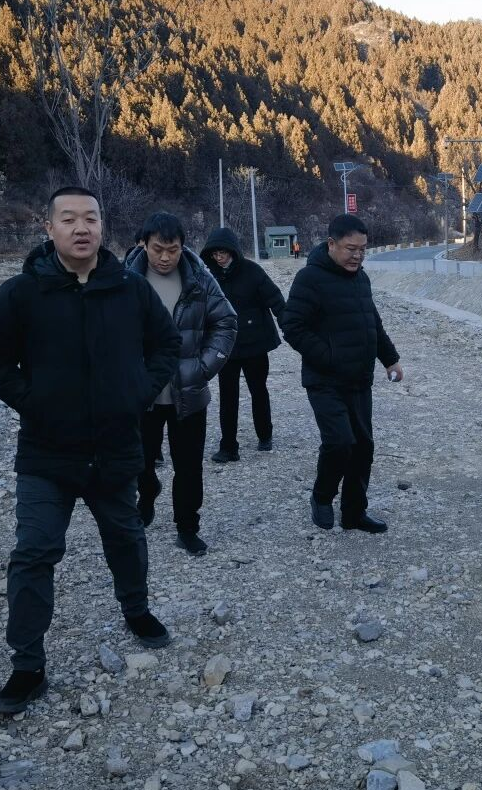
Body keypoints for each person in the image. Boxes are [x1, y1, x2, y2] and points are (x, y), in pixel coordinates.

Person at [0, 186, 181, 714]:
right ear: (49, 228)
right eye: (68, 219)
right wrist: (33, 402)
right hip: (47, 451)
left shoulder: (131, 289)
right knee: (33, 552)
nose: (81, 228)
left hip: (114, 446)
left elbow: (165, 345)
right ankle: (27, 665)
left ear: (102, 227)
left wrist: (137, 393)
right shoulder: (22, 293)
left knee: (126, 536)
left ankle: (136, 609)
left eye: (90, 218)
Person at [281, 213, 403, 533]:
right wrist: (329, 357)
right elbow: (292, 326)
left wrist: (390, 359)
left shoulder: (361, 279)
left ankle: (354, 513)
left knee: (363, 448)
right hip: (325, 381)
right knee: (339, 443)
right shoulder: (310, 278)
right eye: (351, 249)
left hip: (359, 380)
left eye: (362, 249)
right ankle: (322, 497)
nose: (357, 256)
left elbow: (372, 323)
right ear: (331, 244)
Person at [125, 213, 237, 556]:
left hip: (188, 393)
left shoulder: (199, 278)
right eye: (157, 249)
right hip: (140, 393)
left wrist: (202, 369)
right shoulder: (125, 279)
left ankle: (187, 527)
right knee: (138, 461)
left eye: (172, 250)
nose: (165, 257)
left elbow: (226, 322)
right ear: (143, 245)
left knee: (188, 466)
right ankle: (147, 492)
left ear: (182, 247)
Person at [199, 226, 286, 462]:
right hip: (225, 346)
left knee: (258, 390)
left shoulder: (252, 271)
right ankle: (228, 447)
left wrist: (291, 327)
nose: (219, 257)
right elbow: (201, 309)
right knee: (228, 396)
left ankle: (265, 434)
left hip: (255, 343)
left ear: (233, 251)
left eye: (223, 252)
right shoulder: (209, 277)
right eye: (215, 253)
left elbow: (276, 300)